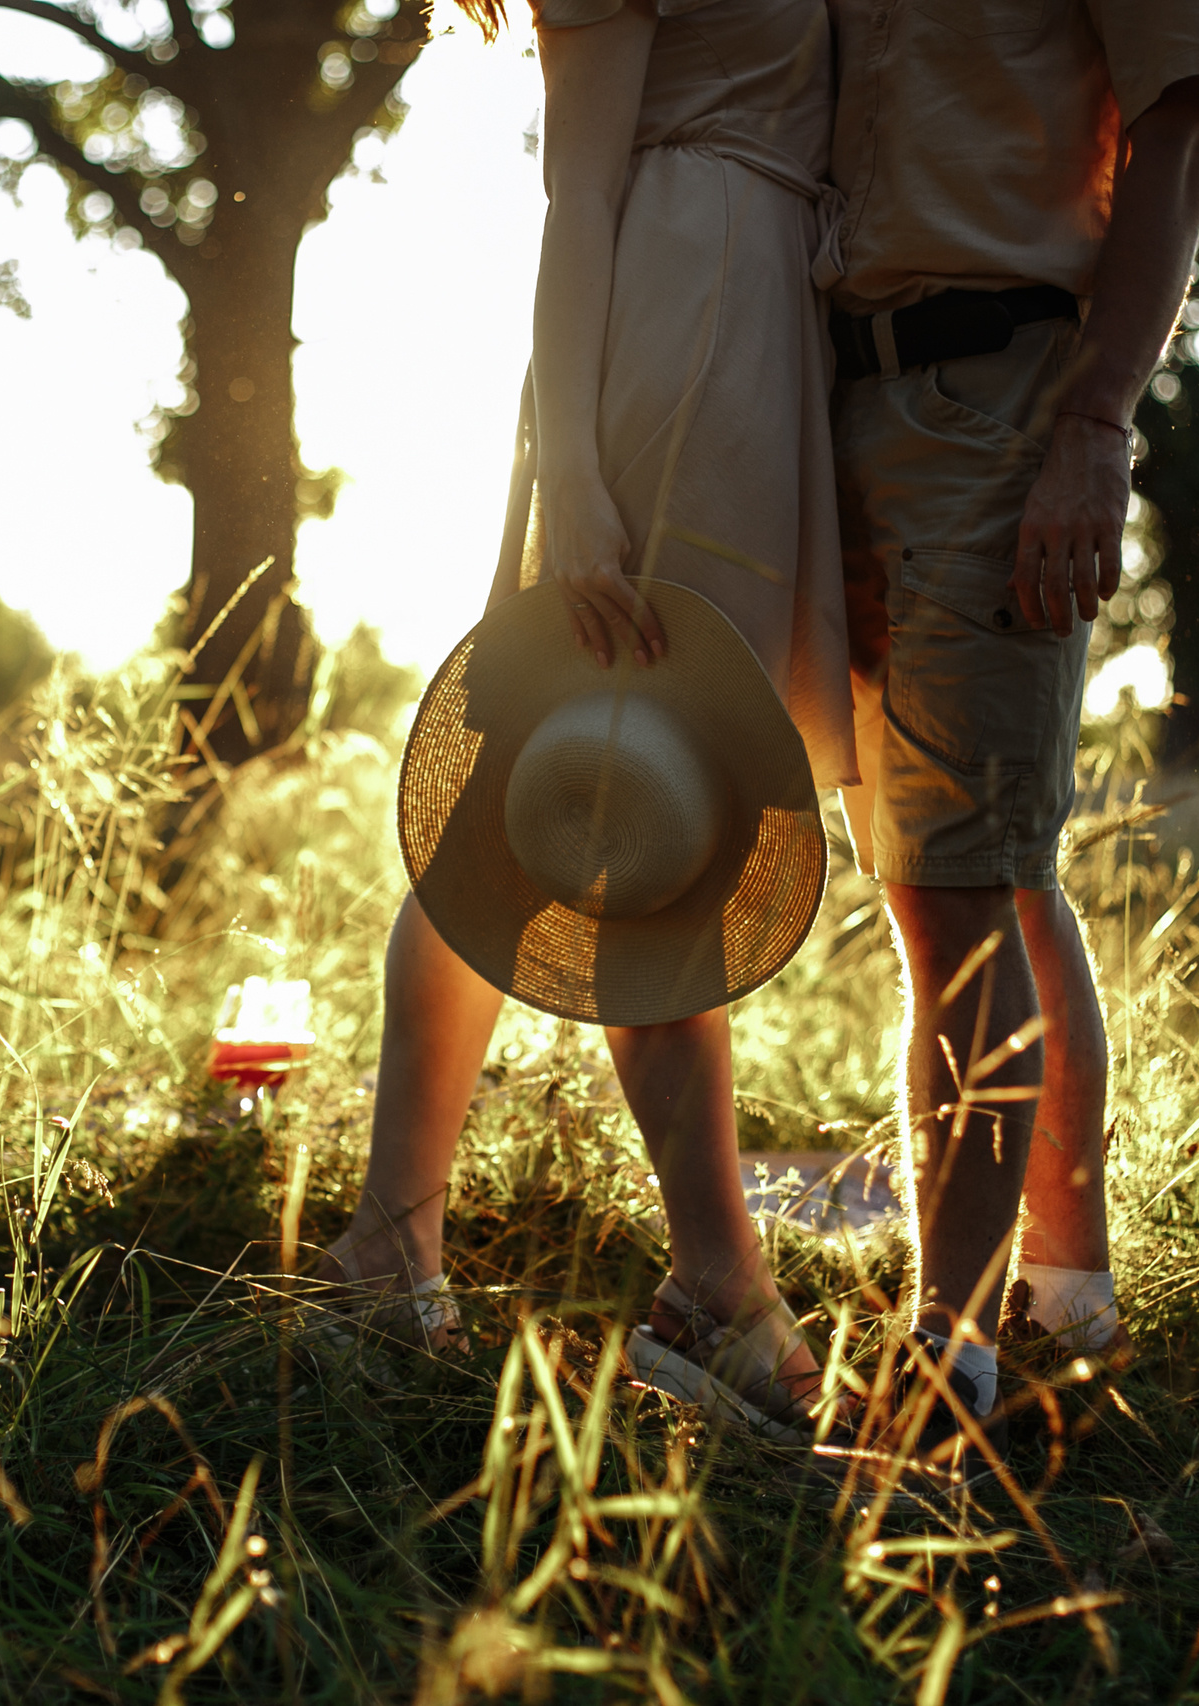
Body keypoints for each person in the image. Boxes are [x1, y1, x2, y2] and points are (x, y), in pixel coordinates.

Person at [312, 0, 859, 1443]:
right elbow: (579, 192)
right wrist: (576, 474)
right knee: (637, 809)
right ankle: (720, 1285)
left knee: (543, 808)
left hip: (753, 334)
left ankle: (392, 1239)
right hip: (668, 353)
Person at [820, 0, 1199, 1418]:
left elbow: (1181, 130)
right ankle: (1064, 1287)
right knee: (953, 874)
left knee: (963, 886)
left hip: (1005, 396)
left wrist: (1094, 421)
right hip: (837, 398)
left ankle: (949, 1355)